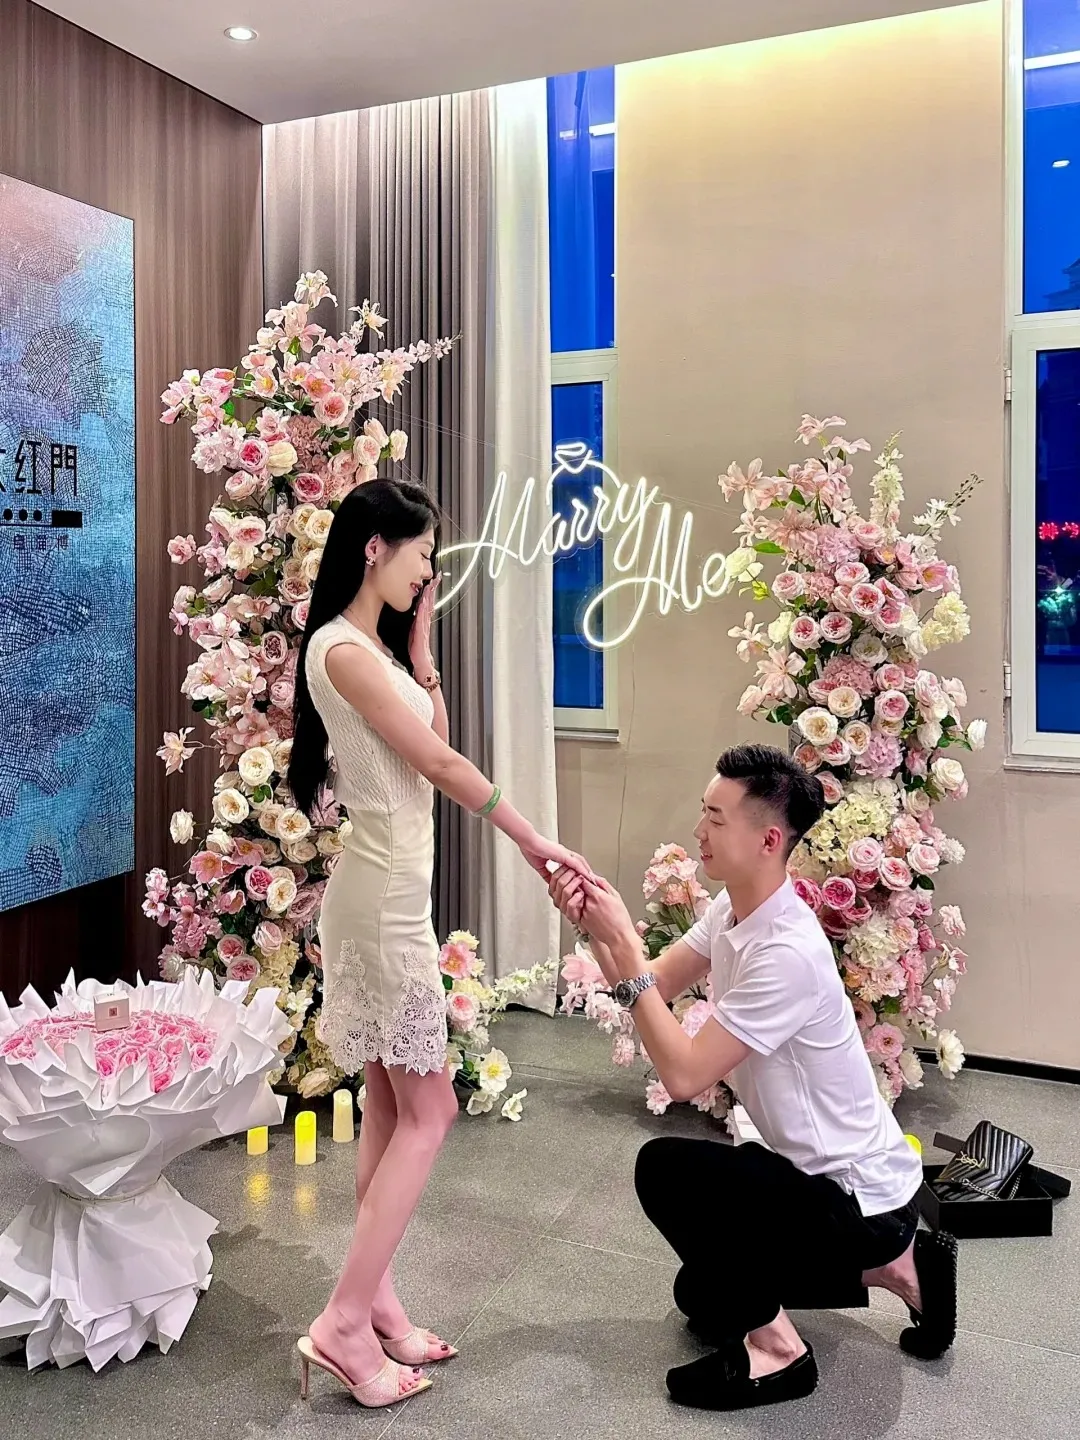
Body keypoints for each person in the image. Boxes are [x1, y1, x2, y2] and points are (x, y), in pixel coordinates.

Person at [289, 477, 589, 1409]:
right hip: (381, 905)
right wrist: (533, 839)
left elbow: (429, 739)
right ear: (374, 547)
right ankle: (344, 1323)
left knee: (388, 1110)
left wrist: (422, 656)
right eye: (421, 555)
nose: (427, 573)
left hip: (386, 897)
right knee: (431, 1111)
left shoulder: (372, 652)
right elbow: (439, 763)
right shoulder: (342, 652)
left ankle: (377, 1308)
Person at [549, 743, 957, 1413]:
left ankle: (780, 1353)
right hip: (811, 1174)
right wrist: (598, 927)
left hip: (857, 1198)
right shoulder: (734, 910)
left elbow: (683, 1074)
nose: (698, 831)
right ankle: (903, 1267)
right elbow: (655, 981)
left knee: (665, 1170)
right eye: (702, 812)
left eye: (715, 818)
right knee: (700, 1298)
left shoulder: (787, 952)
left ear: (769, 840)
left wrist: (621, 946)